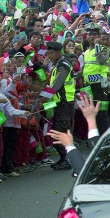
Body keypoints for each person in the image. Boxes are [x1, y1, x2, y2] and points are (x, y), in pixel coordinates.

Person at [45, 41, 75, 171]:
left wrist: (43, 97)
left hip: (64, 103)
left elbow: (56, 86)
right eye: (48, 53)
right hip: (58, 103)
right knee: (57, 131)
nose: (49, 56)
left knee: (61, 131)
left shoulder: (64, 65)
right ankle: (63, 158)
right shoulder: (58, 65)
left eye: (51, 53)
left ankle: (68, 159)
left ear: (58, 52)